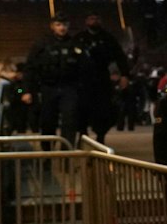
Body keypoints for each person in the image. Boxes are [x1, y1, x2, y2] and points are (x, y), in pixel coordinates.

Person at [22, 17, 86, 144]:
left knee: (69, 121)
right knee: (48, 121)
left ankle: (66, 152)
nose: (62, 28)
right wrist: (27, 90)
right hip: (48, 87)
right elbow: (30, 68)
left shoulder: (75, 44)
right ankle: (47, 153)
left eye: (65, 24)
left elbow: (85, 68)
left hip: (69, 87)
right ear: (52, 26)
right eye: (58, 24)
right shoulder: (42, 44)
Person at [74, 13, 132, 142]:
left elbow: (120, 57)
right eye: (91, 18)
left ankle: (101, 135)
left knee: (103, 109)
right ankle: (82, 134)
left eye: (96, 18)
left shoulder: (108, 38)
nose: (94, 21)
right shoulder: (79, 38)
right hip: (83, 80)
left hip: (102, 78)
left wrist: (125, 75)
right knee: (81, 108)